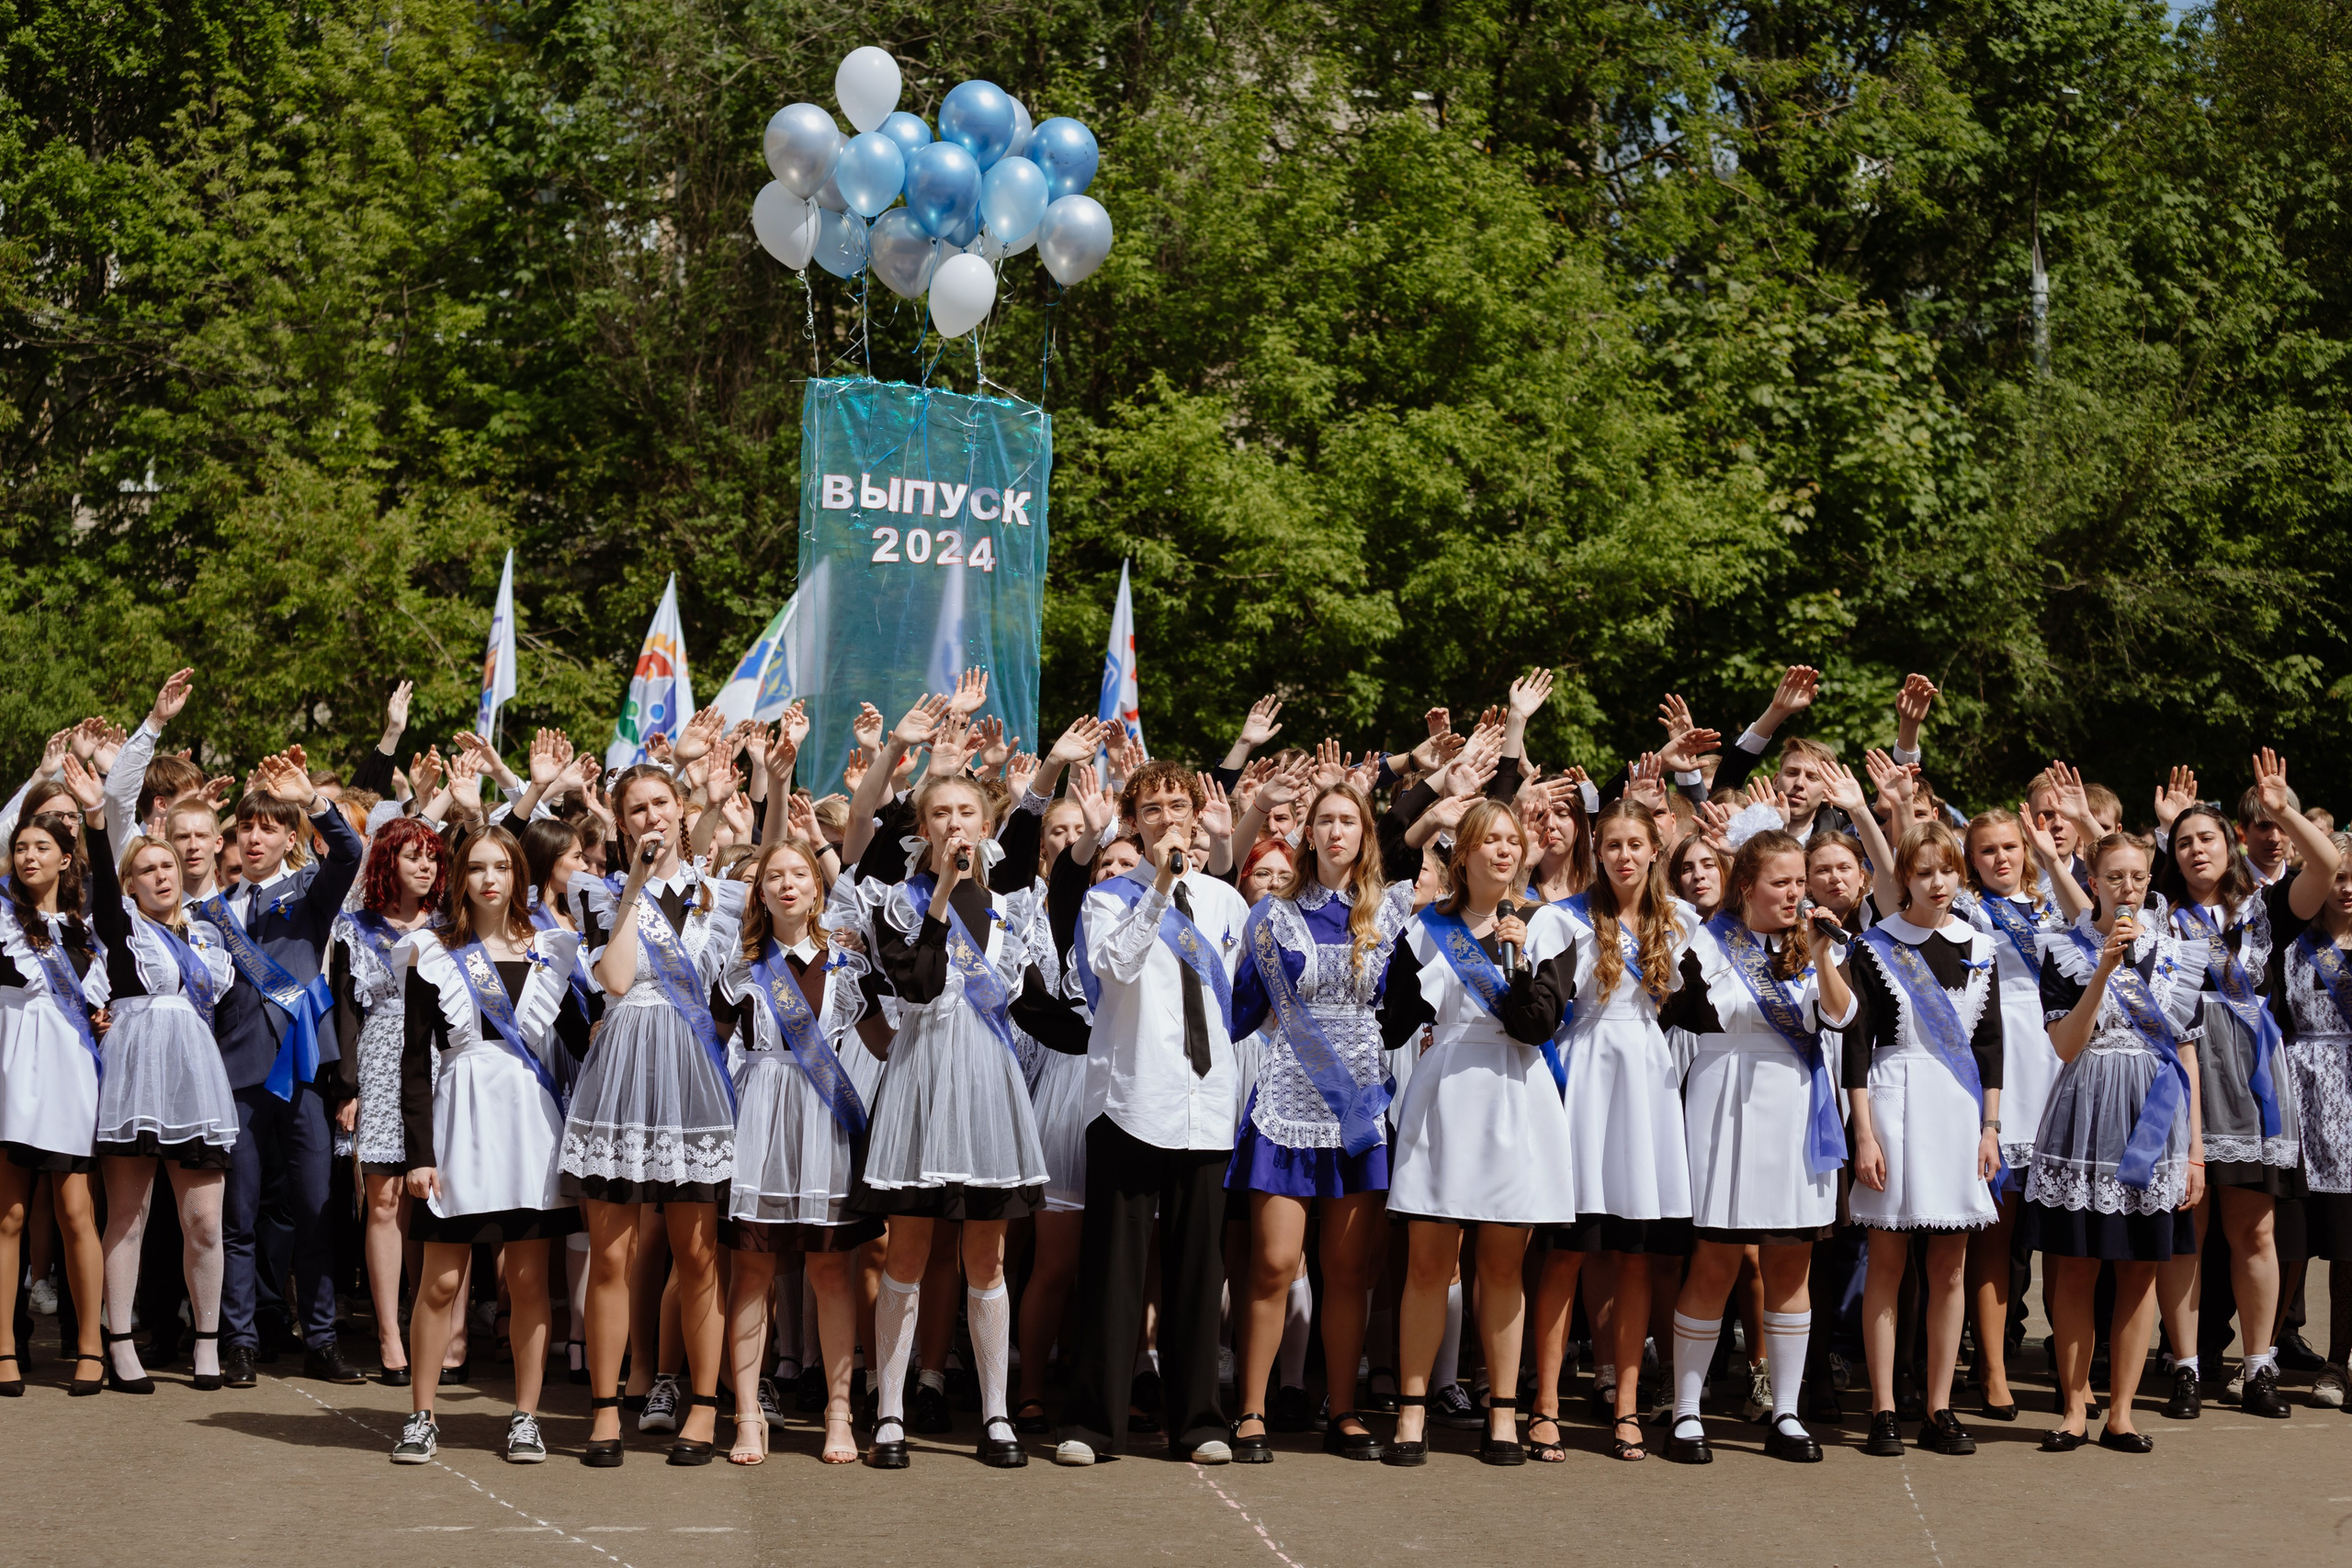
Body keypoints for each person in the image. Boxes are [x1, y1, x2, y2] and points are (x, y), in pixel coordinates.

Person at [856, 767, 1060, 1470]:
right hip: (921, 1079)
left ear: (986, 823)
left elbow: (1036, 1006)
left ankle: (997, 1414)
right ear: (923, 828)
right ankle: (890, 1411)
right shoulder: (897, 900)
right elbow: (914, 983)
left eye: (965, 811)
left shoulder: (1015, 907)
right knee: (906, 1253)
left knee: (987, 1256)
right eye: (939, 812)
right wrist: (942, 893)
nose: (953, 823)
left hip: (988, 1084)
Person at [1055, 761, 1251, 1469]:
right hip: (1134, 1098)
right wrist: (1162, 885)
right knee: (1114, 1267)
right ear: (1132, 820)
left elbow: (1245, 996)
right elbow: (1117, 968)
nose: (1169, 815)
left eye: (1179, 803)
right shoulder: (1109, 897)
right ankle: (1093, 1423)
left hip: (1205, 1102)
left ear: (1198, 814)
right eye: (1154, 806)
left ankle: (1199, 1421)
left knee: (1200, 1270)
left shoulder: (1228, 902)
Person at [562, 759, 751, 1466]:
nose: (650, 818)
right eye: (635, 808)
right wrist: (634, 889)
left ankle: (703, 1408)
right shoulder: (598, 893)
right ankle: (607, 1408)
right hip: (619, 1080)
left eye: (659, 804)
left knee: (699, 1254)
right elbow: (612, 980)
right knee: (612, 1253)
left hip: (693, 1079)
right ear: (619, 821)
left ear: (681, 809)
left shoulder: (721, 897)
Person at [1378, 799, 1575, 1465]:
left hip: (1516, 1092)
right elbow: (1393, 1020)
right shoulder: (1424, 930)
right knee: (1430, 1263)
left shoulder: (1546, 929)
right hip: (1448, 1090)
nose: (1503, 850)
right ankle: (1411, 1413)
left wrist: (1515, 955)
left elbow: (1536, 1023)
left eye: (1511, 840)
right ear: (1461, 852)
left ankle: (1502, 1415)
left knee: (1501, 1266)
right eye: (1488, 839)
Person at [387, 825, 591, 1464]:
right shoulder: (431, 951)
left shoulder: (550, 950)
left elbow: (584, 1042)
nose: (489, 878)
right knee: (440, 1282)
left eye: (501, 865)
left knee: (529, 1281)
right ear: (460, 877)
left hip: (530, 1126)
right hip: (459, 1123)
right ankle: (421, 1414)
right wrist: (418, 1153)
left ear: (518, 874)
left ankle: (526, 1415)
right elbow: (413, 1064)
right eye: (476, 867)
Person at [1225, 782, 1413, 1463]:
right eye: (1325, 821)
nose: (1336, 831)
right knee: (1274, 1262)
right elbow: (1241, 1013)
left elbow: (1409, 1004)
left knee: (1348, 1266)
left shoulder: (1388, 915)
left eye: (1348, 821)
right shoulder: (1272, 917)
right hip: (1286, 1103)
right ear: (1308, 833)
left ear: (1365, 833)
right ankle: (1251, 1408)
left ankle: (1344, 1408)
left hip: (1358, 1109)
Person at [1657, 829, 1855, 1463]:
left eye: (1800, 881)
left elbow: (1842, 1017)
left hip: (1794, 1105)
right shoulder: (1704, 941)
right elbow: (1673, 1006)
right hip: (1724, 1099)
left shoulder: (1818, 946)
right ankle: (1687, 1410)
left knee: (1790, 1265)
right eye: (1781, 882)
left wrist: (1823, 955)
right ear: (1747, 885)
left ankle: (1787, 1411)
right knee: (1714, 1260)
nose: (1796, 892)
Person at [2152, 752, 2336, 1419]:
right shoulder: (2159, 911)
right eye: (2183, 841)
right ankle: (2185, 1364)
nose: (2196, 849)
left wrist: (2284, 808)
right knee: (2186, 1229)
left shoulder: (2267, 908)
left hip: (2255, 1078)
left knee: (2255, 1232)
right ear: (2171, 852)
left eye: (2207, 837)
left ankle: (2259, 1363)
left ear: (2230, 843)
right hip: (2185, 1071)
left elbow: (2327, 867)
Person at [2025, 831, 2204, 1453]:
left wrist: (2196, 1151)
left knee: (2140, 1269)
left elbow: (2187, 1052)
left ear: (2149, 879)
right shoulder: (2064, 948)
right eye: (2114, 876)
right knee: (2075, 1266)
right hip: (2086, 1108)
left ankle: (2122, 1412)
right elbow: (2065, 1044)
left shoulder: (2179, 954)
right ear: (2092, 880)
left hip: (2155, 1119)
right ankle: (2075, 1406)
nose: (2127, 887)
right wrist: (2102, 967)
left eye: (2137, 876)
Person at [711, 835, 884, 1467]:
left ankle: (839, 1411)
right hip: (759, 1120)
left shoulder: (848, 964)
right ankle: (748, 1412)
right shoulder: (740, 967)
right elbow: (710, 1050)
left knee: (830, 1271)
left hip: (824, 1124)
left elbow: (887, 1044)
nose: (786, 884)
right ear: (759, 891)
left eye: (799, 875)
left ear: (818, 888)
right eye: (774, 876)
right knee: (753, 1273)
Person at [196, 747, 367, 1388]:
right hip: (236, 1074)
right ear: (234, 838)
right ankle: (239, 1338)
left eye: (270, 826)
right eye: (247, 827)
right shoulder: (215, 909)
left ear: (289, 836)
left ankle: (319, 1338)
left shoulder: (307, 891)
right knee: (238, 1214)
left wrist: (312, 801)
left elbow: (349, 853)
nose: (256, 836)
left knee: (315, 1208)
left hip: (302, 1073)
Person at [1844, 822, 2005, 1458]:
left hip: (1960, 1112)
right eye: (1923, 871)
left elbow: (1989, 1043)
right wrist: (1865, 1131)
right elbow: (1855, 1045)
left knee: (1950, 1264)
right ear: (1902, 877)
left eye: (1946, 870)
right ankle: (1883, 1406)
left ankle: (1939, 1407)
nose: (1937, 883)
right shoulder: (1876, 945)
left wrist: (1991, 1126)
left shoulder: (1980, 945)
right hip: (1895, 1102)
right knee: (1886, 1261)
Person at [78, 764, 240, 1394]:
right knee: (128, 1213)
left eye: (167, 865)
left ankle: (206, 1342)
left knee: (203, 1218)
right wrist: (98, 822)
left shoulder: (204, 939)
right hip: (135, 1078)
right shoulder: (122, 933)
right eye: (146, 869)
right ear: (129, 884)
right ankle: (120, 1340)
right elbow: (100, 893)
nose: (161, 875)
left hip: (193, 1081)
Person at [1554, 798, 1698, 1461]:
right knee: (1570, 1249)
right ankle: (1546, 1404)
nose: (1623, 855)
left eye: (1635, 843)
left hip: (1648, 1084)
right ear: (1596, 848)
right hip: (1586, 1081)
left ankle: (1629, 1407)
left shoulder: (1682, 922)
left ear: (1653, 848)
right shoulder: (1565, 920)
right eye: (1611, 843)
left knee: (1636, 1252)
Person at [1955, 806, 2067, 1419]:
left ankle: (2069, 1368)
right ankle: (1992, 1367)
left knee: (2065, 1235)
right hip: (2002, 1062)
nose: (2001, 857)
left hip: (2059, 1057)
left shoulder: (2054, 904)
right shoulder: (1969, 911)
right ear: (1971, 859)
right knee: (1996, 1232)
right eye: (1987, 849)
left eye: (2009, 846)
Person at [0, 792, 110, 1396]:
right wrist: (38, 778)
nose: (28, 855)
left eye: (41, 846)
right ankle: (4, 1349)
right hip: (12, 1075)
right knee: (9, 1214)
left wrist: (107, 1017)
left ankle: (90, 1347)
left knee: (75, 1212)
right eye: (20, 847)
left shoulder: (89, 928)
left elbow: (105, 1002)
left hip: (69, 1079)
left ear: (66, 858)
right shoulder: (0, 918)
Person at [332, 815, 447, 1383]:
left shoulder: (453, 924)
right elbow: (347, 1011)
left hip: (442, 1065)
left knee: (440, 1199)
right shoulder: (356, 928)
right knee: (385, 1200)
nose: (424, 865)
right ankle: (389, 1334)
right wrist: (347, 1085)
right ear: (387, 863)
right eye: (411, 856)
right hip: (379, 1059)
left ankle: (444, 1333)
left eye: (430, 855)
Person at [2275, 831, 2352, 1404]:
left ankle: (2339, 1361)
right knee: (2289, 1235)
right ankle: (2265, 1352)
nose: (2346, 889)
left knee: (2350, 1244)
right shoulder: (2294, 943)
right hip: (2300, 1095)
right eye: (2339, 877)